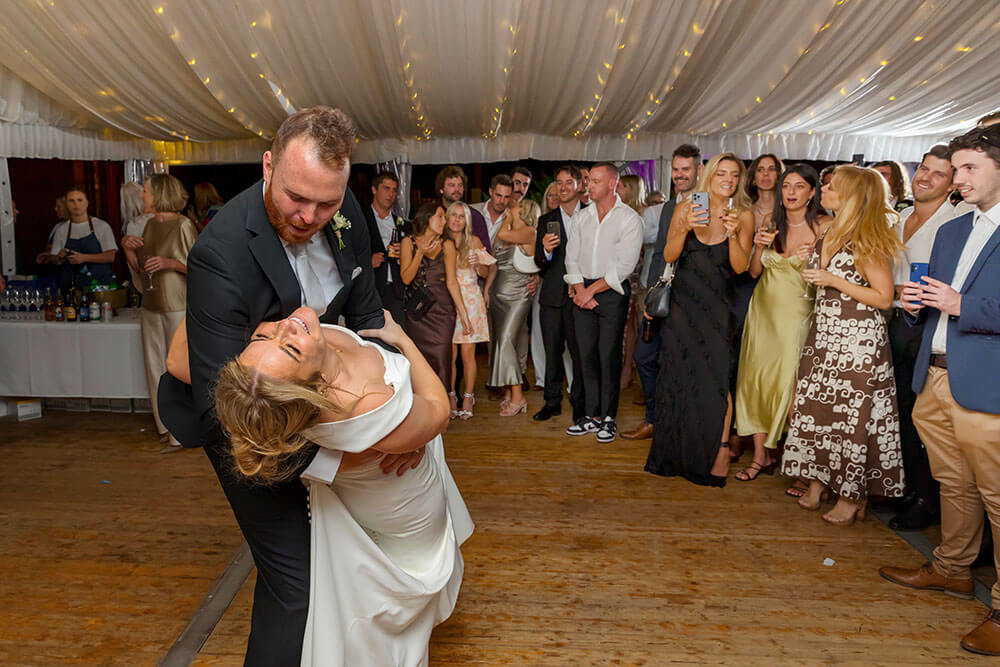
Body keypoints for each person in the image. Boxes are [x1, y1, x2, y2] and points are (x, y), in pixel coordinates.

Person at [155, 106, 422, 665]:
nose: (310, 216)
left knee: (354, 560)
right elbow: (217, 412)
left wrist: (403, 416)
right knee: (298, 583)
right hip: (248, 430)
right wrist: (333, 463)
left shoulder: (340, 205)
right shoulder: (221, 252)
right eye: (297, 198)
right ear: (269, 164)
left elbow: (370, 315)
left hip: (320, 411)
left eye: (327, 203)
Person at [169, 305, 473, 665]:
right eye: (291, 349)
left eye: (263, 335)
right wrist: (402, 341)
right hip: (404, 505)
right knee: (399, 585)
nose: (288, 327)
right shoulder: (365, 406)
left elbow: (178, 359)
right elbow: (438, 412)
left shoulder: (274, 364)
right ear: (310, 390)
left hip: (384, 482)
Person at [880, 125, 1000, 655]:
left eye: (971, 167)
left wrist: (962, 306)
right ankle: (952, 569)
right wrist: (916, 305)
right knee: (953, 483)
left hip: (988, 382)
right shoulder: (953, 230)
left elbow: (963, 303)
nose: (960, 177)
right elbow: (937, 299)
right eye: (959, 168)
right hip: (934, 373)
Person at [783, 165, 904, 525]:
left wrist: (833, 278)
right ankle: (819, 484)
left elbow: (884, 297)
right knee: (820, 413)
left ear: (852, 195)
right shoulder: (830, 231)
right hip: (825, 335)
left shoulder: (865, 237)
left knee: (852, 421)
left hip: (857, 343)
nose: (825, 189)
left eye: (832, 186)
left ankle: (852, 497)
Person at [644, 153, 753, 485]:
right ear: (710, 175)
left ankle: (719, 451)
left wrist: (734, 233)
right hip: (683, 307)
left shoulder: (743, 215)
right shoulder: (687, 207)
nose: (729, 180)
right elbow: (669, 255)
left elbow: (739, 268)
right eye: (722, 173)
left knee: (717, 381)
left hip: (719, 308)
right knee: (678, 375)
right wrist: (685, 228)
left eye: (734, 175)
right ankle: (676, 452)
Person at [879, 145, 968, 530]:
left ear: (952, 184)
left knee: (920, 418)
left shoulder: (957, 218)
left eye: (937, 173)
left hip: (929, 327)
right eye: (923, 169)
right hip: (894, 324)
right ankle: (908, 489)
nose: (925, 177)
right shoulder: (898, 217)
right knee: (897, 412)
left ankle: (928, 500)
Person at [733, 164, 829, 482]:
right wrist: (759, 246)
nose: (790, 192)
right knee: (755, 381)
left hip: (797, 315)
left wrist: (816, 255)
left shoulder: (825, 227)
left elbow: (830, 276)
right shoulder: (771, 222)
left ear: (813, 192)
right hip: (762, 312)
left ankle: (803, 466)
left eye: (799, 186)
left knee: (790, 387)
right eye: (787, 185)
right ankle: (761, 457)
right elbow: (754, 273)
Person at [621, 144, 701, 441]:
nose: (680, 175)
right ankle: (654, 420)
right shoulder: (669, 207)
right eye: (676, 170)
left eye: (686, 169)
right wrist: (652, 295)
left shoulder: (703, 204)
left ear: (698, 171)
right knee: (645, 356)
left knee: (680, 362)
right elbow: (659, 256)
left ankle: (677, 424)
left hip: (690, 299)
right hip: (662, 297)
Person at [564, 163, 644, 442]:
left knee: (607, 355)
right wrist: (578, 289)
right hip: (582, 291)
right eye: (588, 181)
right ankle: (590, 415)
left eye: (595, 181)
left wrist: (589, 292)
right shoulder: (581, 218)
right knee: (584, 355)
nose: (588, 186)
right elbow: (570, 257)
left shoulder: (629, 219)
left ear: (612, 184)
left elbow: (624, 267)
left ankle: (608, 418)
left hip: (611, 294)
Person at [121, 174, 198, 453]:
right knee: (154, 369)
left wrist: (170, 263)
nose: (142, 196)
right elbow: (142, 270)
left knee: (177, 369)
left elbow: (199, 268)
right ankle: (165, 428)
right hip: (151, 305)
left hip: (177, 306)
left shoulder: (184, 224)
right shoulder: (149, 225)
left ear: (161, 193)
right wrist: (128, 251)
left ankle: (183, 431)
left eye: (146, 191)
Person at [729, 153, 786, 459]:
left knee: (772, 361)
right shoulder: (742, 209)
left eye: (771, 170)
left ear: (780, 174)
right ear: (753, 176)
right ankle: (739, 430)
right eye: (760, 170)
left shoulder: (790, 208)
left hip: (779, 287)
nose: (765, 175)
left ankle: (775, 433)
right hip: (745, 284)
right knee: (742, 356)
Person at [533, 165, 587, 423]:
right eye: (559, 182)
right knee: (551, 352)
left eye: (568, 182)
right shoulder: (546, 221)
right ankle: (552, 402)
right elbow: (540, 264)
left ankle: (580, 404)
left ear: (579, 185)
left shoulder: (592, 215)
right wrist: (545, 250)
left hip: (581, 297)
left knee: (581, 354)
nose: (563, 187)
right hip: (553, 298)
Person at [401, 203, 471, 390]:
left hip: (442, 312)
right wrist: (421, 252)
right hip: (417, 314)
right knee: (417, 362)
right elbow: (406, 279)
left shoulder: (448, 245)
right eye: (440, 216)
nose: (444, 221)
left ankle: (441, 409)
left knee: (442, 359)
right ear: (427, 218)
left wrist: (463, 314)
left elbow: (452, 282)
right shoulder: (408, 242)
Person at [485, 198, 539, 416]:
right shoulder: (507, 230)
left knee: (507, 341)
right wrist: (487, 290)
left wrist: (507, 219)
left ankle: (518, 396)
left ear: (523, 210)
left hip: (518, 295)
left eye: (515, 205)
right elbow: (492, 258)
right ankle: (508, 392)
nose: (510, 207)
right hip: (498, 294)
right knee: (501, 342)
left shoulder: (529, 232)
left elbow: (504, 236)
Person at [446, 201, 492, 419]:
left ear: (466, 221)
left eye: (461, 216)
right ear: (447, 218)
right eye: (453, 215)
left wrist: (478, 264)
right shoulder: (441, 241)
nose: (456, 219)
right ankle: (451, 395)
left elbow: (487, 271)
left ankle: (468, 396)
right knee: (449, 354)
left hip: (471, 299)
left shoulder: (473, 241)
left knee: (467, 354)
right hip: (447, 300)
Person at [47, 187, 118, 291]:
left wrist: (84, 258)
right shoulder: (61, 230)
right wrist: (59, 257)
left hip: (99, 287)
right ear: (66, 204)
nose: (76, 204)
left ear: (87, 203)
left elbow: (111, 256)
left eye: (80, 200)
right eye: (71, 201)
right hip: (71, 287)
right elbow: (53, 258)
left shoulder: (101, 226)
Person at [363, 171, 407, 325]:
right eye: (386, 188)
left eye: (394, 190)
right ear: (374, 190)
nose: (391, 194)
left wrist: (404, 253)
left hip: (396, 290)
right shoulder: (362, 218)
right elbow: (349, 253)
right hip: (370, 289)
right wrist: (368, 262)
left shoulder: (401, 223)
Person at [436, 165, 491, 251]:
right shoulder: (433, 214)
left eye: (460, 185)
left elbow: (486, 253)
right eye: (452, 185)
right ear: (441, 189)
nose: (457, 189)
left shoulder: (475, 216)